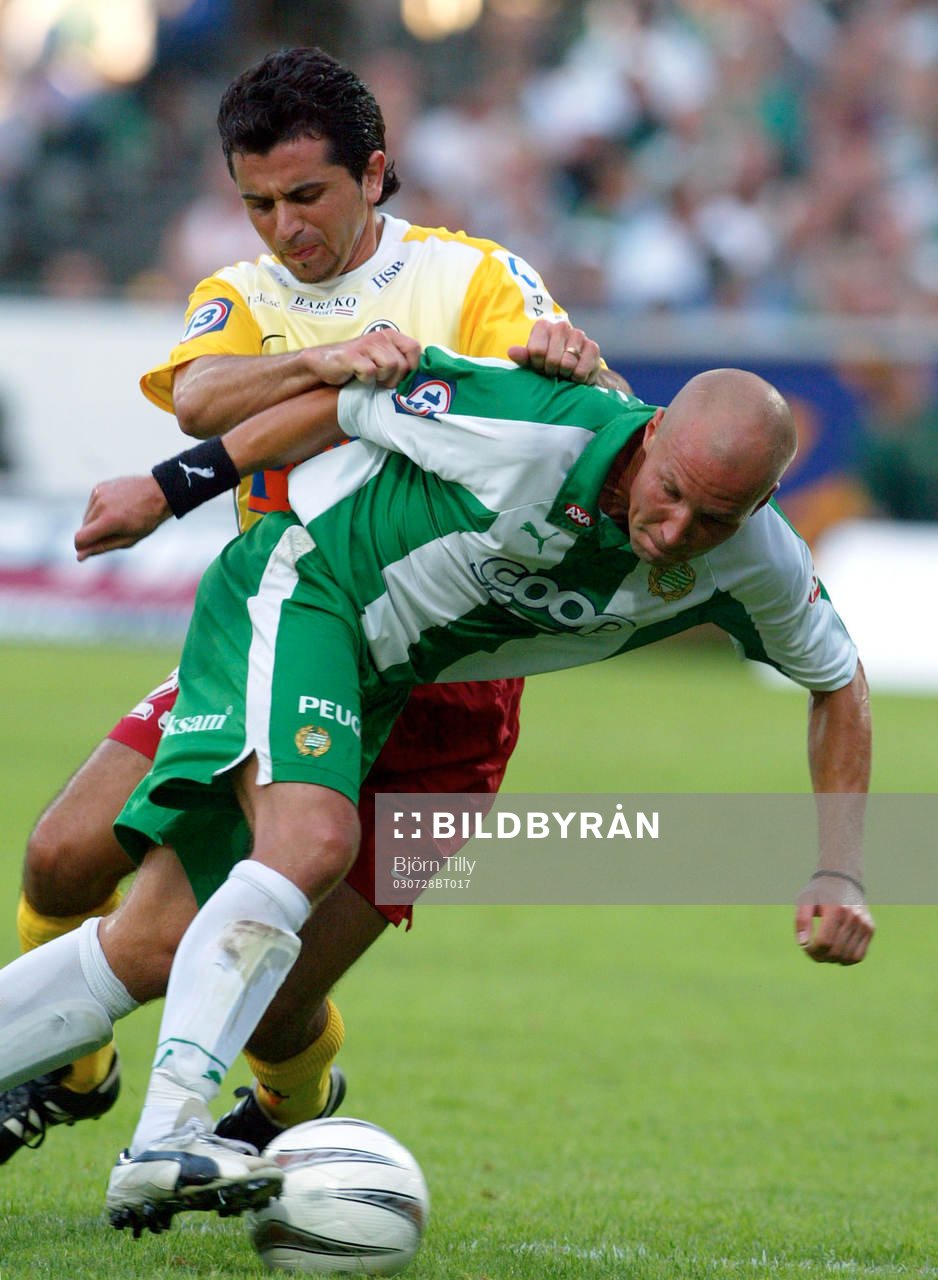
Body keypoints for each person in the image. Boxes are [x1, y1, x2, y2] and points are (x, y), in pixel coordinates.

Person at [0, 346, 872, 1235]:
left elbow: (840, 683)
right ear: (652, 435)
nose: (677, 531)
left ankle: (197, 1125)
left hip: (400, 693)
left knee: (152, 947)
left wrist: (840, 870)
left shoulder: (758, 559)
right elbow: (341, 404)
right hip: (310, 588)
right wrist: (168, 488)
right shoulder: (527, 424)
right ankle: (168, 1138)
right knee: (309, 842)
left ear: (760, 507)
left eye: (715, 517)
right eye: (673, 491)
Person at [3, 46, 624, 1166]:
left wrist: (567, 360)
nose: (283, 227)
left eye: (305, 196)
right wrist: (332, 359)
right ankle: (74, 1067)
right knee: (58, 858)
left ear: (374, 173)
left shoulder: (471, 276)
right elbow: (197, 395)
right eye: (257, 204)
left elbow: (586, 409)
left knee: (272, 982)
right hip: (278, 636)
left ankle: (293, 1105)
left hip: (447, 689)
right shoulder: (237, 294)